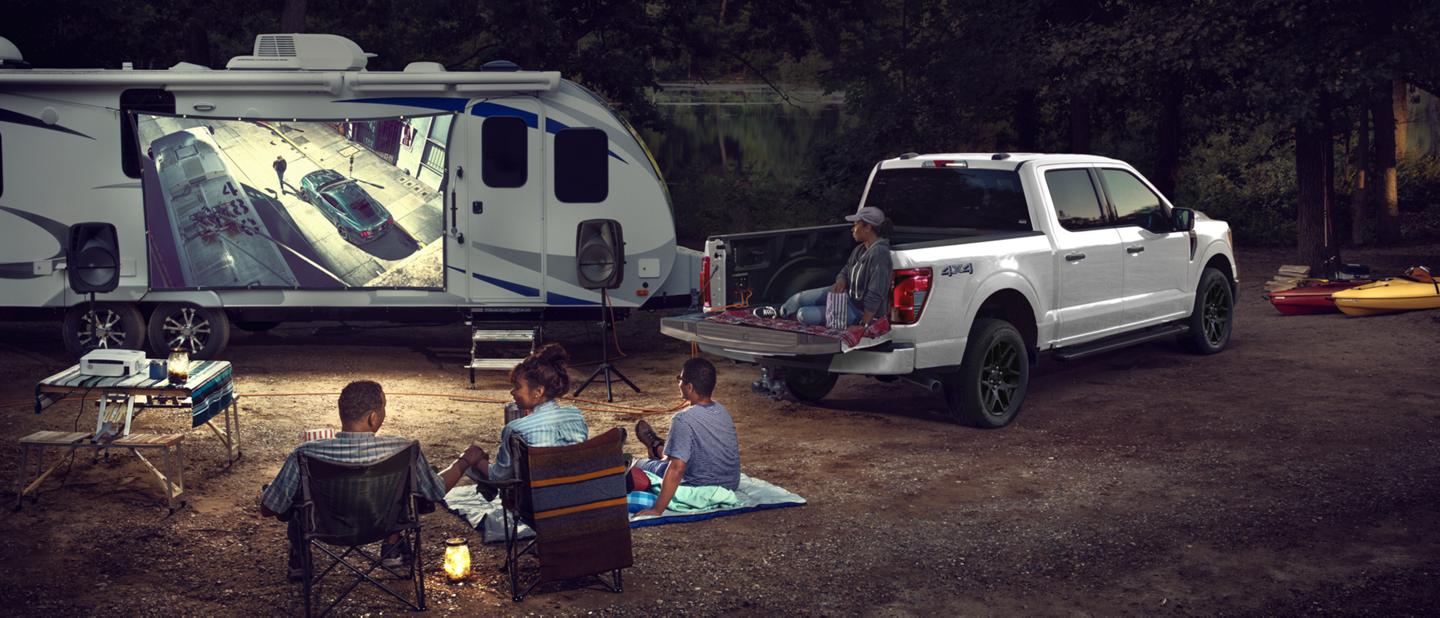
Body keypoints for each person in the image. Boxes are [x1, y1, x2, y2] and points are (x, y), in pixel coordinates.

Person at [260, 380, 485, 579]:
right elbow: (434, 491)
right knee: (410, 488)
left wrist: (275, 492)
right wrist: (464, 461)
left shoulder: (305, 454)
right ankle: (392, 548)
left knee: (297, 494)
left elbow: (270, 507)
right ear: (373, 417)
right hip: (382, 525)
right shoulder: (403, 450)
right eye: (383, 408)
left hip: (323, 529)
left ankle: (300, 557)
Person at [466, 343, 589, 493]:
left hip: (541, 505)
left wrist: (476, 461)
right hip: (579, 498)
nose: (512, 392)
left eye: (517, 387)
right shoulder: (576, 416)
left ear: (538, 391)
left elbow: (498, 476)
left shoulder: (516, 429)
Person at [632, 357, 741, 517]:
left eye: (680, 379)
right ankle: (659, 447)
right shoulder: (723, 411)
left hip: (698, 485)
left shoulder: (682, 419)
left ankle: (656, 448)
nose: (679, 383)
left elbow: (677, 469)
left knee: (640, 464)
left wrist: (657, 510)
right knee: (674, 456)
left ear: (689, 387)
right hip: (731, 484)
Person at [775, 206, 894, 338]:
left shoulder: (880, 253)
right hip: (846, 296)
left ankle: (788, 317)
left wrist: (863, 324)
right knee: (798, 299)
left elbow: (876, 293)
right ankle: (778, 313)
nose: (852, 229)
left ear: (868, 227)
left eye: (856, 225)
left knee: (803, 314)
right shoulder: (860, 249)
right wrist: (841, 281)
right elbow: (845, 270)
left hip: (858, 311)